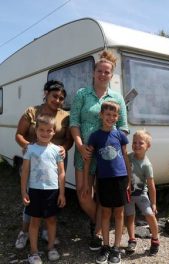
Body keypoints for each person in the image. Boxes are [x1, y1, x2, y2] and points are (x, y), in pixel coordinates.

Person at [70, 50, 129, 251]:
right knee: (84, 194)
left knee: (102, 195)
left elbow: (123, 127)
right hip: (85, 152)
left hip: (108, 157)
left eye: (107, 72)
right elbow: (74, 122)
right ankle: (102, 223)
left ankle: (97, 232)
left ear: (112, 75)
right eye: (100, 71)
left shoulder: (117, 98)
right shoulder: (82, 94)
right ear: (94, 72)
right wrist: (79, 145)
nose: (103, 74)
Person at [15, 80, 72, 249]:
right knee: (31, 197)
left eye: (61, 98)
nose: (58, 100)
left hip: (56, 160)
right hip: (33, 159)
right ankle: (24, 231)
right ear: (46, 93)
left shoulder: (65, 116)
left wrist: (64, 147)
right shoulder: (32, 111)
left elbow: (68, 139)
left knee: (51, 197)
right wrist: (27, 146)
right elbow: (19, 134)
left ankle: (47, 231)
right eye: (55, 96)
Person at [83, 101, 131, 264]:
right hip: (103, 180)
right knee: (104, 213)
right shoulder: (95, 136)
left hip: (120, 179)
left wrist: (129, 179)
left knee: (118, 213)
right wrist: (86, 182)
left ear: (117, 117)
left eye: (114, 115)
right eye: (107, 114)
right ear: (101, 115)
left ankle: (116, 248)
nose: (111, 117)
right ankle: (105, 246)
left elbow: (125, 157)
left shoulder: (120, 135)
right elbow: (88, 161)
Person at [20, 115, 66, 264]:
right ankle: (33, 252)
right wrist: (24, 191)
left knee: (51, 220)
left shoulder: (57, 150)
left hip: (52, 191)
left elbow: (61, 173)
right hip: (34, 190)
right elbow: (25, 172)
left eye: (49, 130)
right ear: (36, 130)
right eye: (42, 130)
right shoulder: (30, 149)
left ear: (54, 132)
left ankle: (51, 247)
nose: (45, 133)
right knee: (35, 221)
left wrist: (62, 193)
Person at [124, 130, 160, 256]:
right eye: (134, 142)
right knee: (129, 216)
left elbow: (151, 186)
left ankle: (155, 239)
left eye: (141, 143)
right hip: (128, 194)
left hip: (141, 194)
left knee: (149, 214)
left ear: (148, 147)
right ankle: (132, 239)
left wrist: (154, 203)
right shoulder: (128, 157)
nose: (137, 145)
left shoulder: (146, 165)